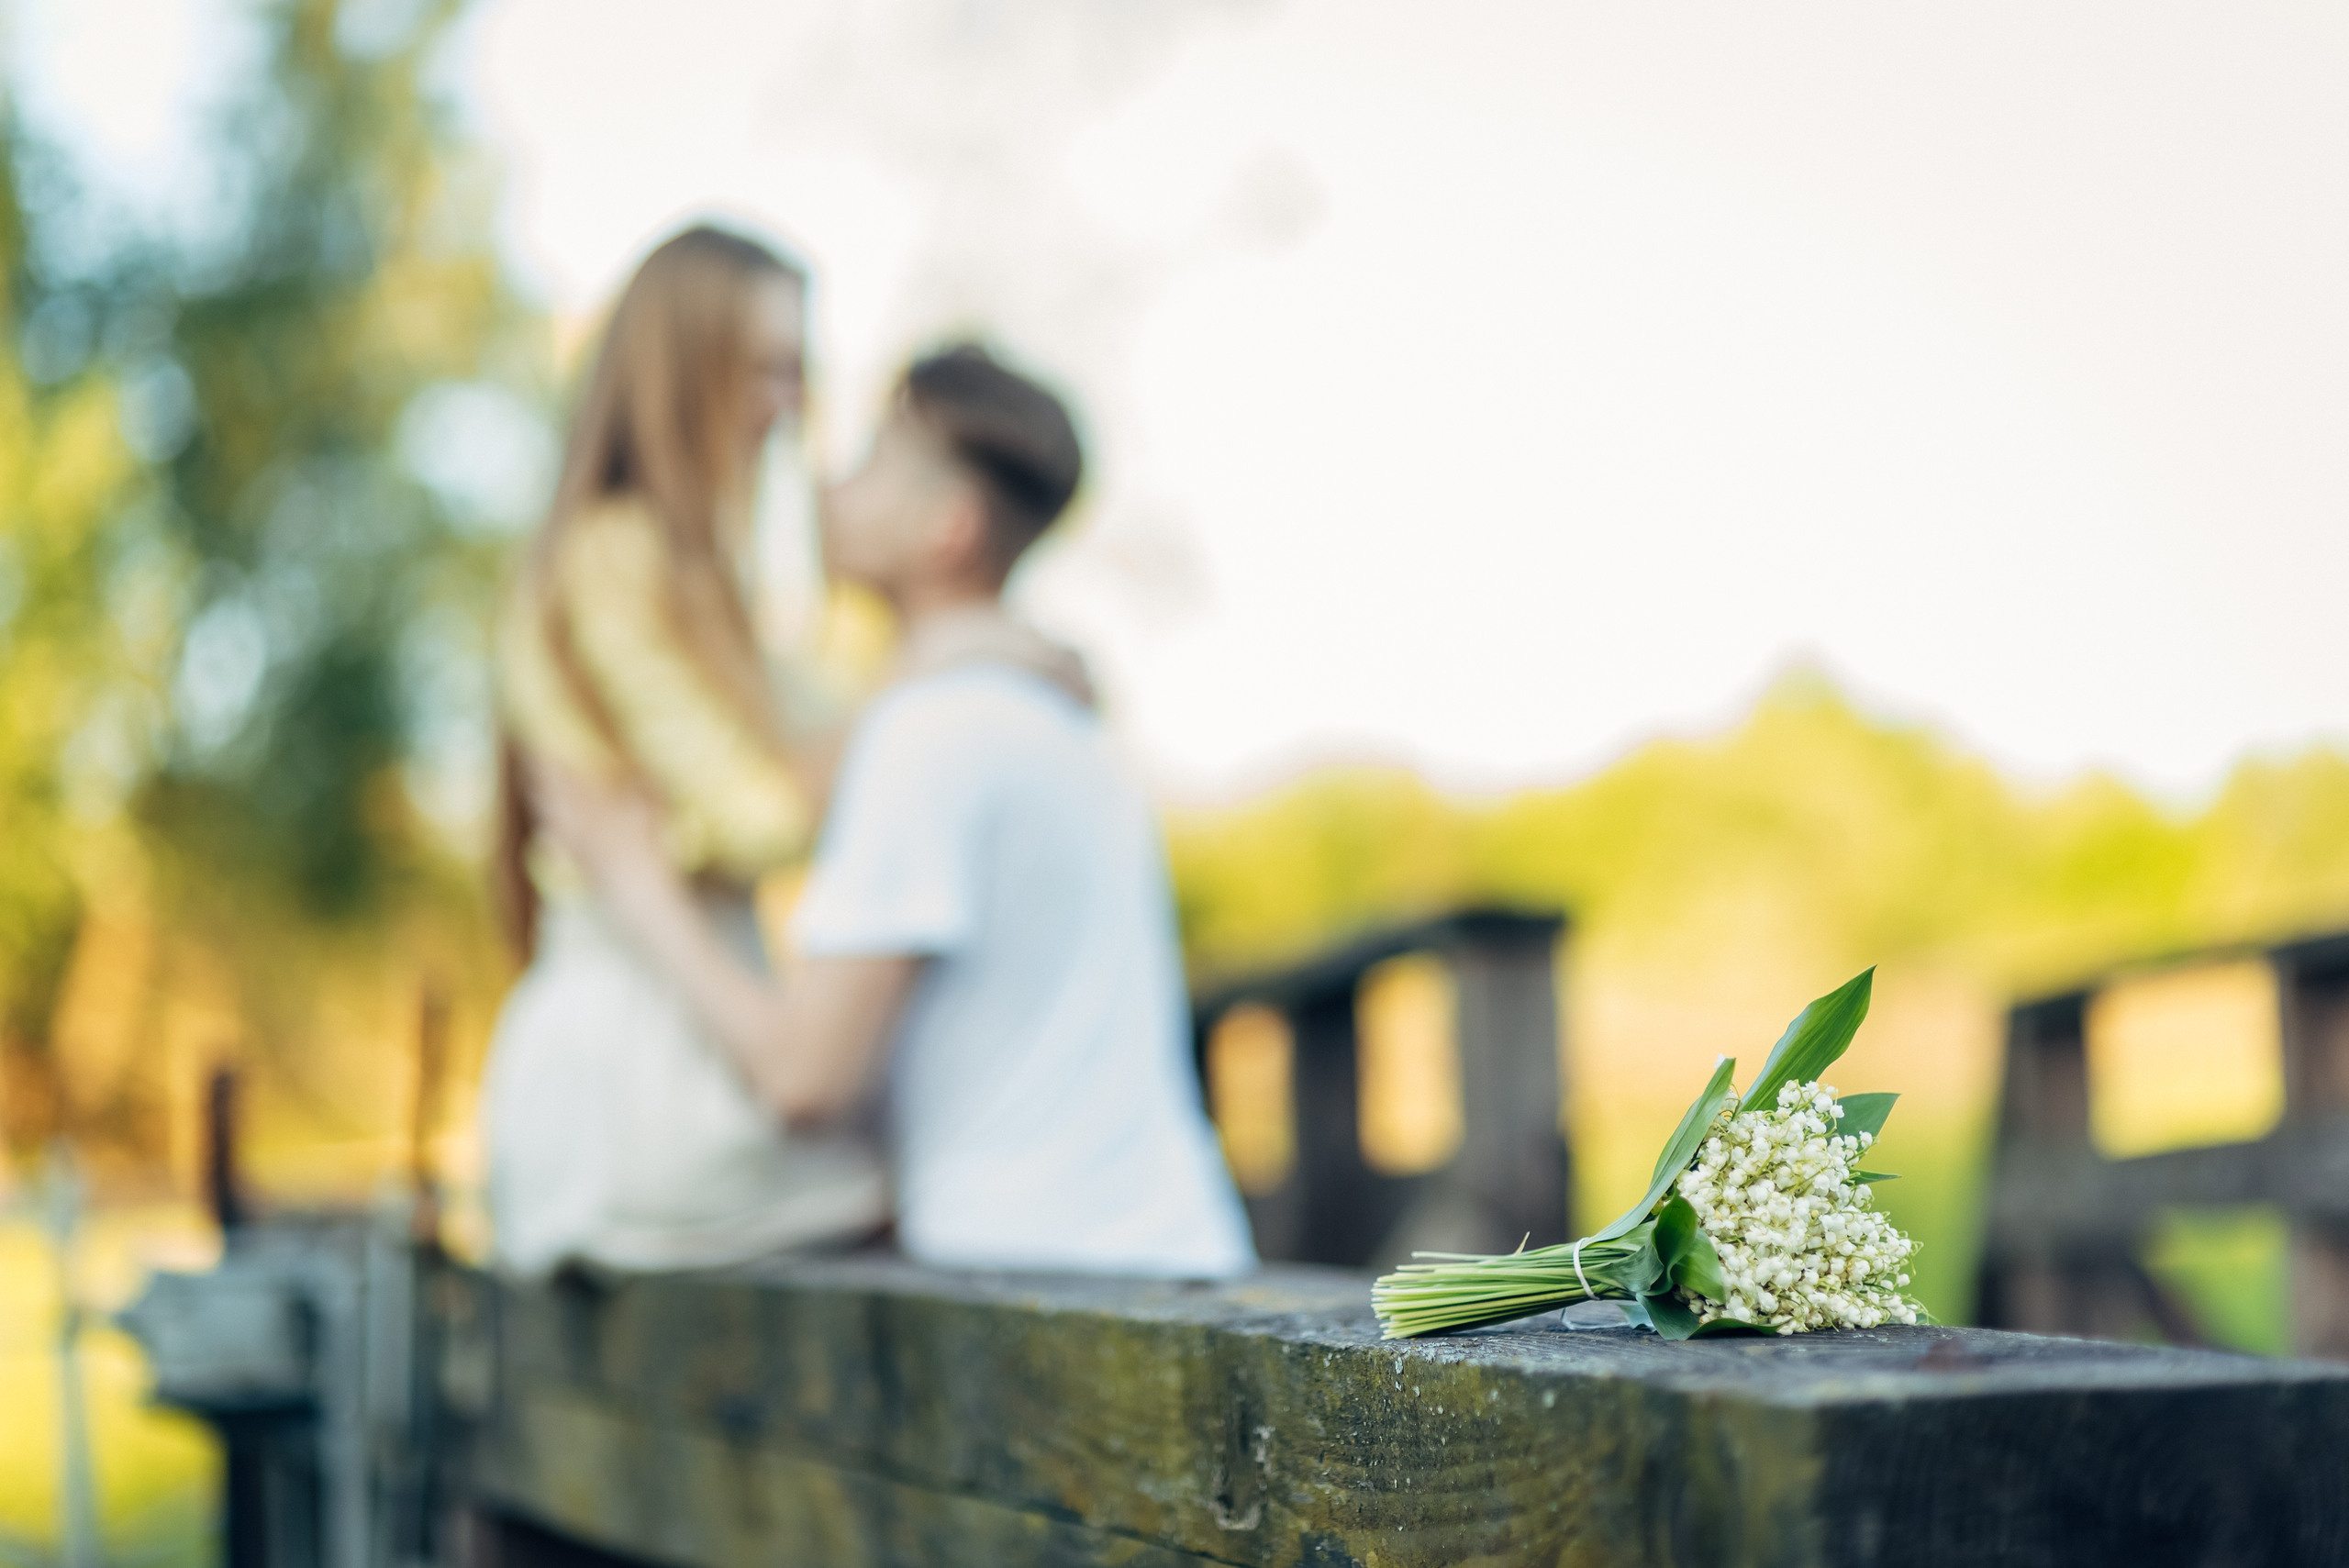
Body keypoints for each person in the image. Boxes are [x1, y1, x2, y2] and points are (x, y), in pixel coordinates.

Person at [539, 344, 1255, 1278]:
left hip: (1046, 1278)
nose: (834, 486)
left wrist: (639, 889)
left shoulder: (927, 737)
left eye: (876, 459)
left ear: (947, 526)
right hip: (1168, 1249)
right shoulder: (1054, 722)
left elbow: (806, 1077)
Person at [482, 229, 1080, 1273]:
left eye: (797, 370)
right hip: (640, 1072)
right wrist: (942, 657)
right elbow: (762, 812)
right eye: (767, 368)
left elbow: (815, 743)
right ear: (685, 367)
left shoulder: (695, 576)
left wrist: (958, 654)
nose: (792, 403)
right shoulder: (611, 555)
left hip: (682, 1039)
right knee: (944, 1190)